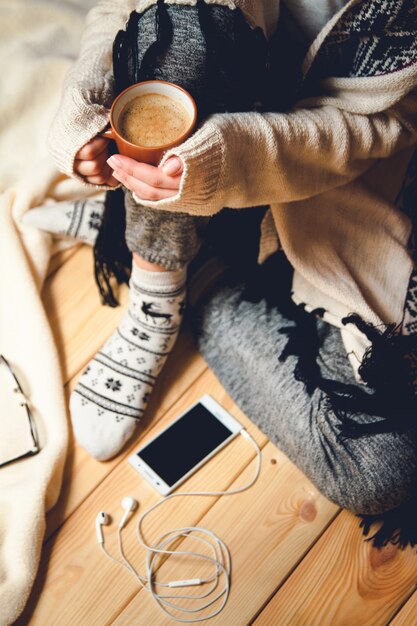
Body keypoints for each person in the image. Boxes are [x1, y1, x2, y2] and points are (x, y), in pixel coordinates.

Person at [30, 0, 417, 548]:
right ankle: (156, 293)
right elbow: (119, 12)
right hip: (175, 172)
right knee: (183, 32)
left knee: (382, 472)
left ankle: (196, 273)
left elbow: (387, 123)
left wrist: (231, 164)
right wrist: (85, 108)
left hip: (329, 204)